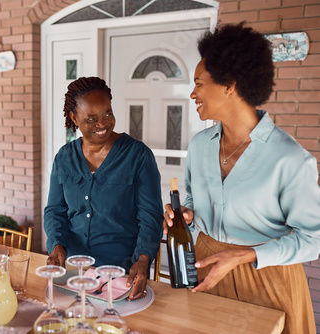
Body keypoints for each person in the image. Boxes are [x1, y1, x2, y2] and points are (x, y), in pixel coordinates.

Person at [164, 23, 320, 333]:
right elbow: (194, 202)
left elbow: (313, 241)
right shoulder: (198, 146)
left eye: (198, 83)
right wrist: (187, 216)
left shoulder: (290, 159)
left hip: (266, 279)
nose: (193, 93)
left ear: (229, 85)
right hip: (207, 271)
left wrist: (249, 255)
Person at [44, 76, 163, 301]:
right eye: (91, 118)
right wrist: (57, 244)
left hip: (121, 273)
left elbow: (151, 216)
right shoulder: (64, 157)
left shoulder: (138, 156)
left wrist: (143, 259)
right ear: (74, 118)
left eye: (108, 114)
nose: (102, 124)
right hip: (75, 272)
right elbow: (55, 210)